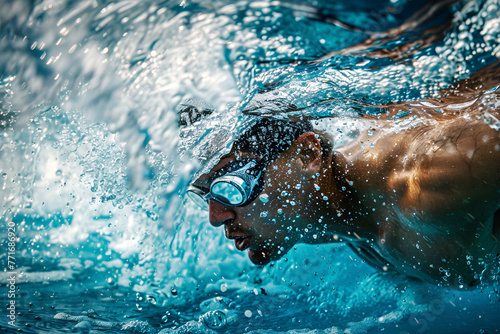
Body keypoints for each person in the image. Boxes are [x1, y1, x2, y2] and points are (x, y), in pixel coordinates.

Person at [186, 65, 500, 288]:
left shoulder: (430, 180)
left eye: (234, 183)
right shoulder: (329, 217)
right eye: (208, 193)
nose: (216, 216)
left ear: (307, 154)